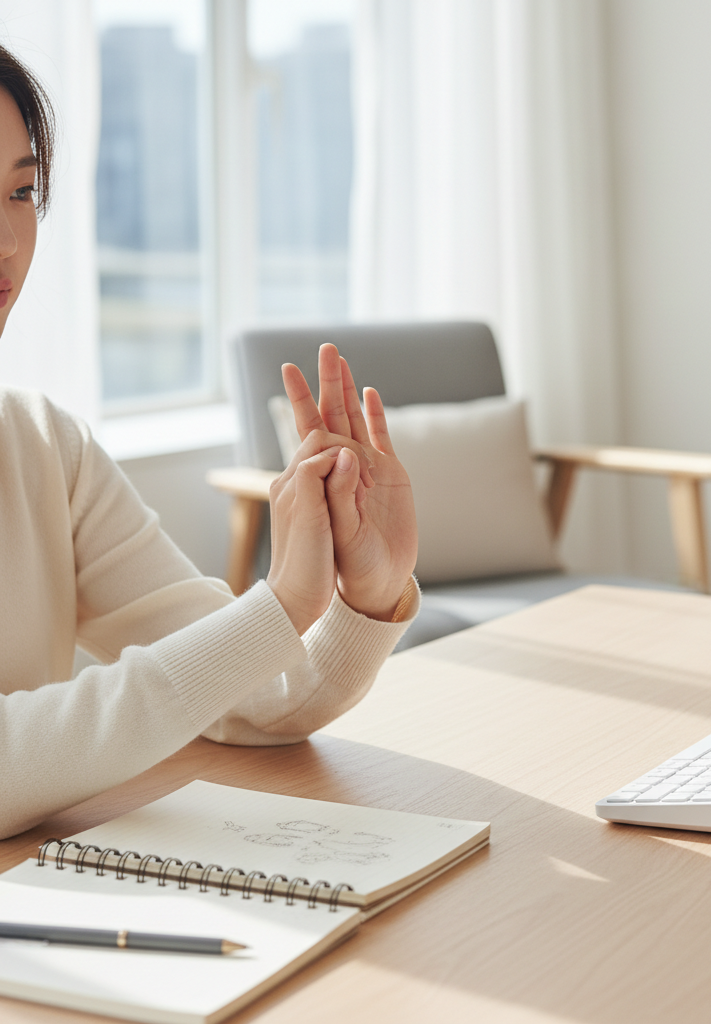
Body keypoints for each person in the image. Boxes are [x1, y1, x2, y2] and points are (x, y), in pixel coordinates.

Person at [0, 46, 418, 840]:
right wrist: (283, 603)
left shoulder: (43, 445)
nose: (9, 241)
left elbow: (254, 694)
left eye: (20, 191)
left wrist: (360, 596)